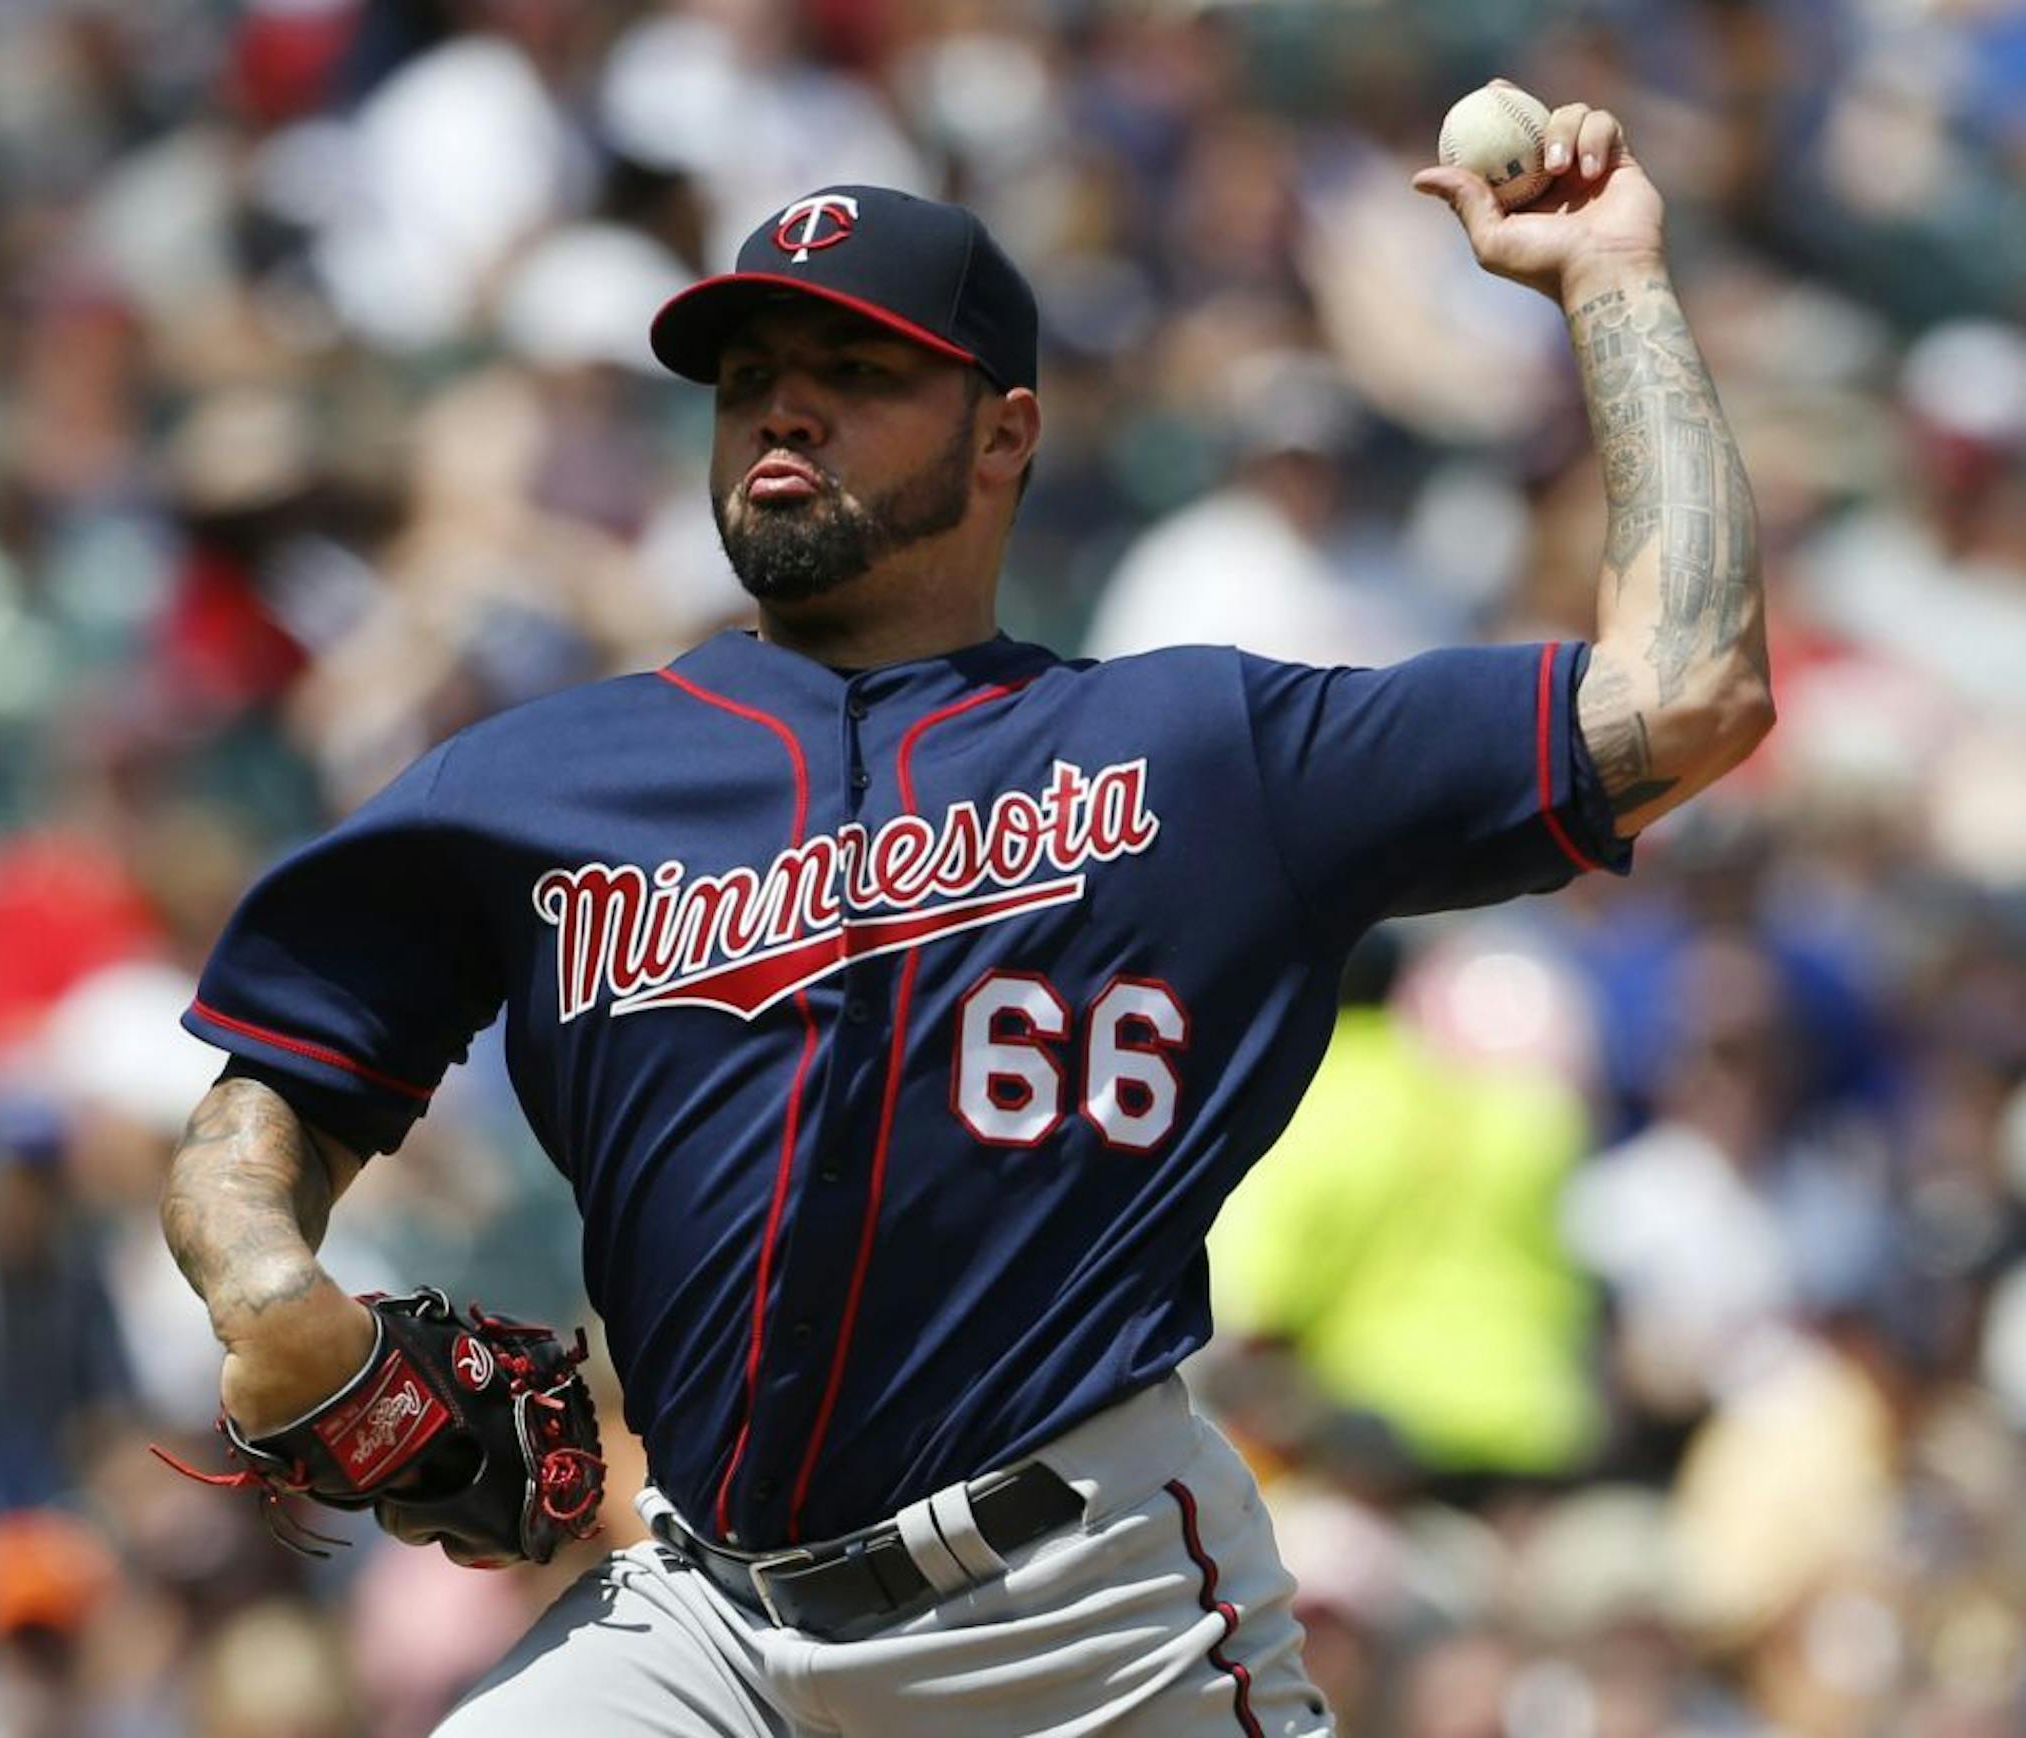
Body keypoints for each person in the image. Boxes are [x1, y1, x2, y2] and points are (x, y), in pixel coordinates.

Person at [161, 98, 1772, 1734]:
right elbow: (277, 1090)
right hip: (702, 1614)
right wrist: (272, 1291)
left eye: (856, 375)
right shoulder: (541, 784)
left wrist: (1612, 277)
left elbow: (1690, 690)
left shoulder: (1205, 755)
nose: (785, 407)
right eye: (746, 382)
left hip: (1080, 1618)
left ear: (1004, 437)